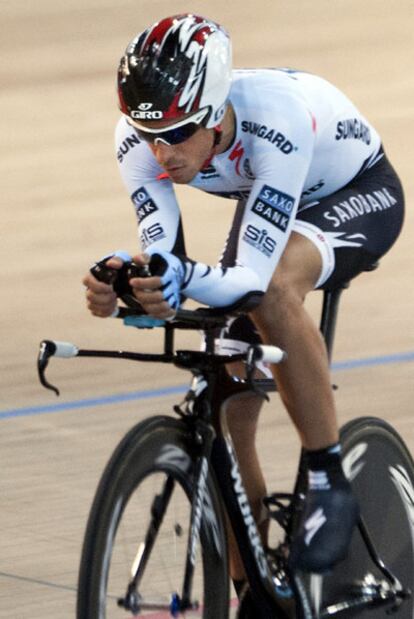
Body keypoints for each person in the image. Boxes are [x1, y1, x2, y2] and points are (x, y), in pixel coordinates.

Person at [83, 12, 404, 587]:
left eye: (179, 135)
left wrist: (181, 275)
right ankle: (252, 590)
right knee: (225, 402)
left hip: (355, 192)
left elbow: (251, 280)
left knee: (275, 290)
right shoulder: (144, 136)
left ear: (214, 113)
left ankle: (330, 475)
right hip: (271, 204)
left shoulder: (276, 121)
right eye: (149, 134)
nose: (161, 154)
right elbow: (166, 254)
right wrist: (132, 283)